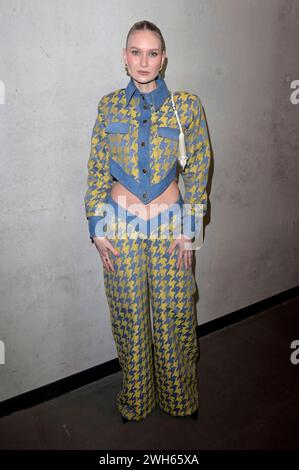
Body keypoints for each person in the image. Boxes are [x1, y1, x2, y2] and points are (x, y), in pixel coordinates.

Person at [84, 20, 211, 423]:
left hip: (171, 227)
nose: (144, 61)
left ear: (163, 59)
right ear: (125, 58)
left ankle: (180, 399)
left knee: (174, 311)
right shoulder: (108, 106)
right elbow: (97, 171)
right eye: (135, 52)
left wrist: (191, 229)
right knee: (129, 314)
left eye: (152, 52)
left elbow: (199, 169)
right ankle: (136, 401)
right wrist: (96, 226)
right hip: (120, 226)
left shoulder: (187, 106)